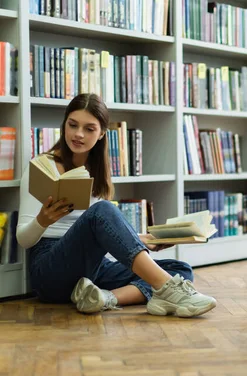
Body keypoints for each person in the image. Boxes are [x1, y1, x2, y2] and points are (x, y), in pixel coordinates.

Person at [16, 93, 217, 318]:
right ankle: (170, 291)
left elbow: (103, 231)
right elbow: (23, 239)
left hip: (91, 269)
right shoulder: (41, 167)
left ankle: (104, 298)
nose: (78, 134)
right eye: (72, 125)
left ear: (102, 133)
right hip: (50, 271)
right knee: (103, 211)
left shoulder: (98, 173)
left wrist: (142, 239)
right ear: (64, 125)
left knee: (180, 269)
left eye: (89, 129)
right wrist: (43, 220)